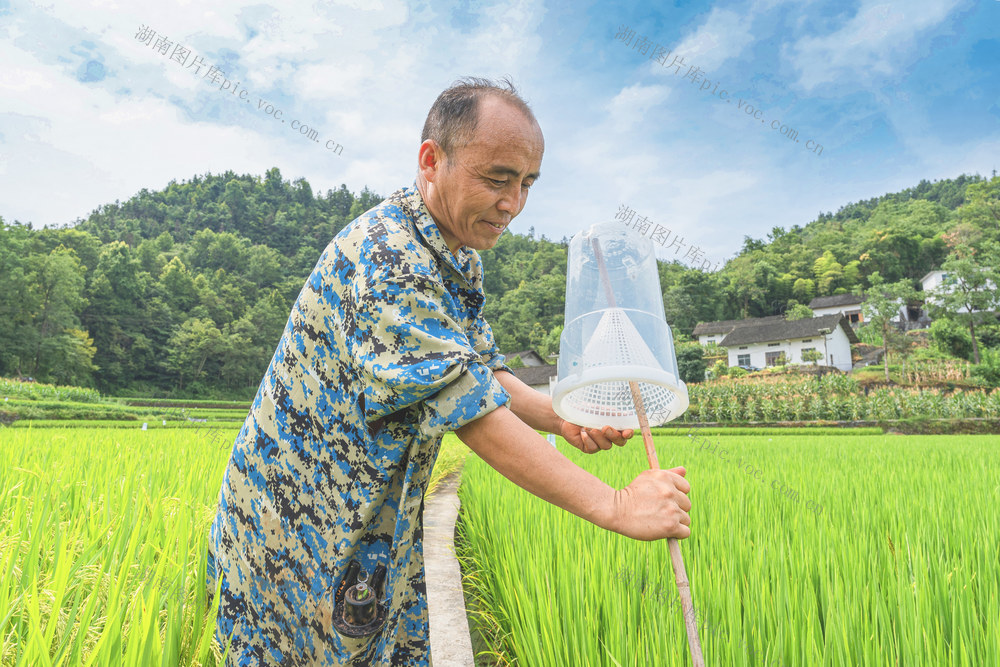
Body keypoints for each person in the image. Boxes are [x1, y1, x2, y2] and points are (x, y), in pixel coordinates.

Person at [206, 76, 692, 666]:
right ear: (431, 160)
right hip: (297, 533)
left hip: (378, 525)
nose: (513, 203)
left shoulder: (454, 254)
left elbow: (479, 369)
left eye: (527, 182)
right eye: (497, 179)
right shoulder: (389, 257)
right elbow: (470, 410)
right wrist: (616, 505)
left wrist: (561, 418)